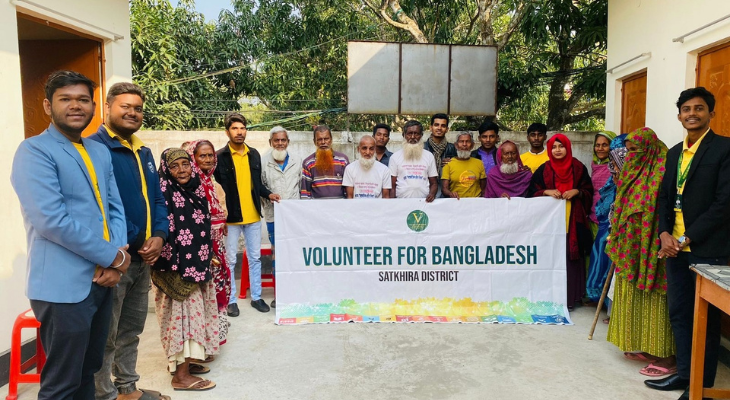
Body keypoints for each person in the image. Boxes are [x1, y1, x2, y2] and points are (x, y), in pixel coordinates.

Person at [11, 70, 131, 400]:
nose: (75, 106)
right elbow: (52, 221)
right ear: (49, 106)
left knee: (88, 371)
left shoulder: (99, 151)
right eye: (66, 99)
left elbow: (114, 209)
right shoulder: (34, 152)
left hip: (102, 281)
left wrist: (115, 260)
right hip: (62, 287)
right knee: (62, 382)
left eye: (82, 100)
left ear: (94, 107)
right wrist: (114, 257)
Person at [646, 87, 730, 399]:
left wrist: (683, 238)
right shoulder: (673, 153)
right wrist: (664, 235)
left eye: (698, 108)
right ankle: (684, 374)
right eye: (686, 109)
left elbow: (724, 204)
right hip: (674, 249)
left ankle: (702, 387)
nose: (691, 114)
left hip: (707, 249)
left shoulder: (724, 149)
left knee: (706, 321)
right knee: (680, 313)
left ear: (711, 113)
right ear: (679, 115)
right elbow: (665, 197)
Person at [89, 82, 171, 400]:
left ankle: (127, 388)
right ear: (108, 107)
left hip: (143, 258)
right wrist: (138, 239)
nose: (132, 112)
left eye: (137, 108)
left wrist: (160, 236)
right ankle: (103, 394)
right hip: (114, 257)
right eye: (125, 106)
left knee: (131, 329)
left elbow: (157, 200)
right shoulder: (95, 148)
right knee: (106, 333)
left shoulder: (144, 152)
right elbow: (100, 206)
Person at [604, 128, 676, 379]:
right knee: (636, 297)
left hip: (654, 249)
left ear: (651, 151)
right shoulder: (631, 174)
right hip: (632, 248)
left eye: (637, 151)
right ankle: (649, 347)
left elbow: (663, 209)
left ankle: (668, 355)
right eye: (630, 151)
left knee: (658, 297)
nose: (632, 155)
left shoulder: (663, 173)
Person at [152, 149, 218, 392]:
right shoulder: (162, 190)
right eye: (175, 166)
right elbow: (163, 227)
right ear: (166, 170)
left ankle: (186, 364)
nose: (181, 170)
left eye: (185, 164)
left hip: (197, 262)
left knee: (194, 315)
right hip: (175, 266)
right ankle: (180, 376)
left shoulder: (196, 186)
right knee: (182, 319)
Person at [213, 113, 280, 315]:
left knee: (255, 258)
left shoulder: (254, 154)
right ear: (227, 132)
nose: (239, 132)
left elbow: (257, 185)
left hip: (252, 216)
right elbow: (216, 189)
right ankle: (231, 300)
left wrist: (270, 194)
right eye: (235, 128)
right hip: (230, 219)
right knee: (231, 260)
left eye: (242, 128)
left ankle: (257, 298)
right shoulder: (219, 157)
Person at [529, 133, 593, 310]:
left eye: (561, 146)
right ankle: (549, 297)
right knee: (550, 259)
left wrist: (577, 192)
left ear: (567, 147)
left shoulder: (578, 168)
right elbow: (530, 194)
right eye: (554, 147)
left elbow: (588, 191)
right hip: (549, 225)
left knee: (570, 260)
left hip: (573, 223)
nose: (558, 150)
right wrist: (546, 192)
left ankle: (570, 298)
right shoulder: (544, 169)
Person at [185, 140, 232, 344]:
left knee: (218, 289)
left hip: (217, 246)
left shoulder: (214, 184)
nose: (207, 159)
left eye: (210, 155)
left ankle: (215, 338)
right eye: (201, 155)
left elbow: (222, 212)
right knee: (202, 293)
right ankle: (202, 342)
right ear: (192, 158)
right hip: (199, 247)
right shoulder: (190, 184)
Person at [261, 126, 301, 308]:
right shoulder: (262, 162)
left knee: (295, 254)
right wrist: (269, 196)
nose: (279, 143)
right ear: (271, 142)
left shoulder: (297, 161)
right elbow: (259, 188)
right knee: (277, 256)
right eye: (276, 140)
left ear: (288, 142)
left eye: (283, 140)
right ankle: (280, 295)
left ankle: (295, 292)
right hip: (274, 217)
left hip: (294, 218)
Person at [585, 131, 617, 303]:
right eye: (597, 145)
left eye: (605, 145)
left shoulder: (617, 166)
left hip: (608, 218)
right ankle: (594, 296)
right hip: (593, 215)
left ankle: (606, 301)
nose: (600, 148)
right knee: (595, 257)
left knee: (606, 260)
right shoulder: (595, 165)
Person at [389, 120, 438, 202]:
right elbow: (392, 185)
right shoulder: (395, 157)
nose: (412, 137)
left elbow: (434, 183)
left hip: (424, 203)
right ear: (404, 135)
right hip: (401, 202)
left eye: (416, 133)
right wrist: (393, 203)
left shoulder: (429, 156)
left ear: (421, 135)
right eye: (409, 133)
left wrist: (432, 194)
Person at [301, 124, 350, 199]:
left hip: (340, 207)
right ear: (314, 142)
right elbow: (305, 192)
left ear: (331, 140)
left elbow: (348, 189)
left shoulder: (343, 160)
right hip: (317, 208)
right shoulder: (308, 163)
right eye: (320, 139)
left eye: (326, 139)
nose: (323, 142)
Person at [441, 132, 486, 199]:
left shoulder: (479, 163)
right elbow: (444, 189)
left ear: (472, 145)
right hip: (456, 202)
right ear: (456, 145)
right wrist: (450, 193)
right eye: (461, 141)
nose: (464, 144)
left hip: (475, 203)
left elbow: (483, 189)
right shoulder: (448, 164)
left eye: (467, 142)